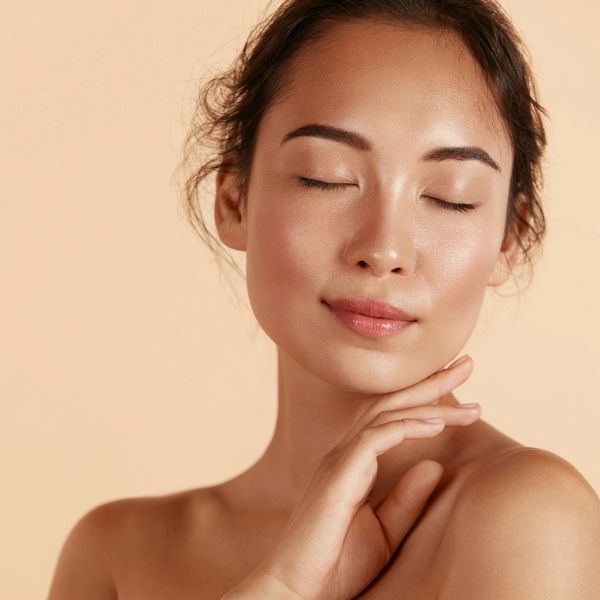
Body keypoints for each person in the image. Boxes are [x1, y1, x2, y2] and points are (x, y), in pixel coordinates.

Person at [47, 1, 600, 598]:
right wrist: (280, 587)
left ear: (507, 241)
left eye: (451, 197)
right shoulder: (117, 554)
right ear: (234, 200)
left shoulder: (528, 519)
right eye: (325, 176)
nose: (384, 249)